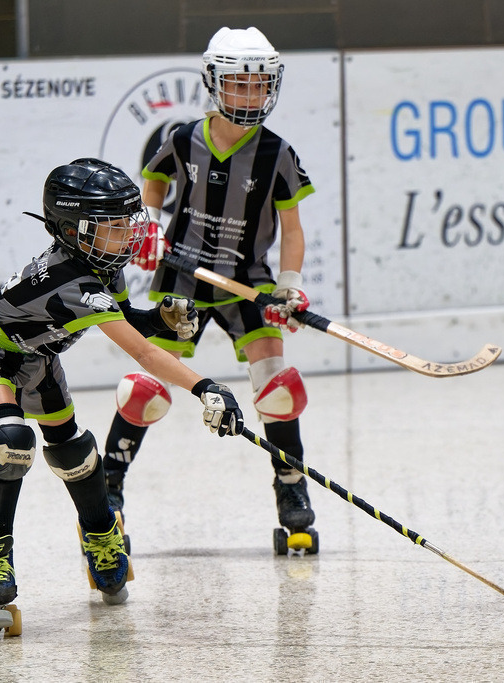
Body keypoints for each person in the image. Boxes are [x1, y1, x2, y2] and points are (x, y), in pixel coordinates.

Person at [0, 158, 245, 614]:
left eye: (126, 224)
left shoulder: (100, 263)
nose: (127, 236)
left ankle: (101, 536)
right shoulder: (73, 279)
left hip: (40, 358)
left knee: (73, 452)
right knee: (11, 443)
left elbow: (126, 321)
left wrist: (160, 320)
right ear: (72, 230)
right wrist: (205, 386)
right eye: (111, 226)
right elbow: (144, 354)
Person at [104, 26, 318, 550]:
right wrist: (149, 225)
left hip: (249, 280)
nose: (249, 95)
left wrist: (288, 286)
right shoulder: (179, 139)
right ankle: (108, 490)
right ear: (214, 83)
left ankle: (290, 488)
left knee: (278, 387)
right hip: (183, 275)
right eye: (238, 84)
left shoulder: (278, 154)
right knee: (146, 391)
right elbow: (152, 187)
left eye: (258, 85)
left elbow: (292, 230)